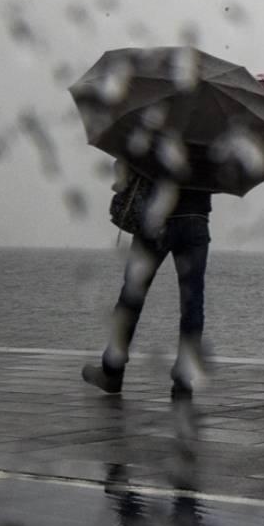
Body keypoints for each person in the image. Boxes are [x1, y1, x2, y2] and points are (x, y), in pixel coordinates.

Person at [83, 162, 213, 397]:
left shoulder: (158, 126)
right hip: (195, 219)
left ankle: (112, 370)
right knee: (193, 301)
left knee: (132, 296)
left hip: (156, 218)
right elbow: (218, 178)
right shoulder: (214, 131)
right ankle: (184, 379)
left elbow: (127, 165)